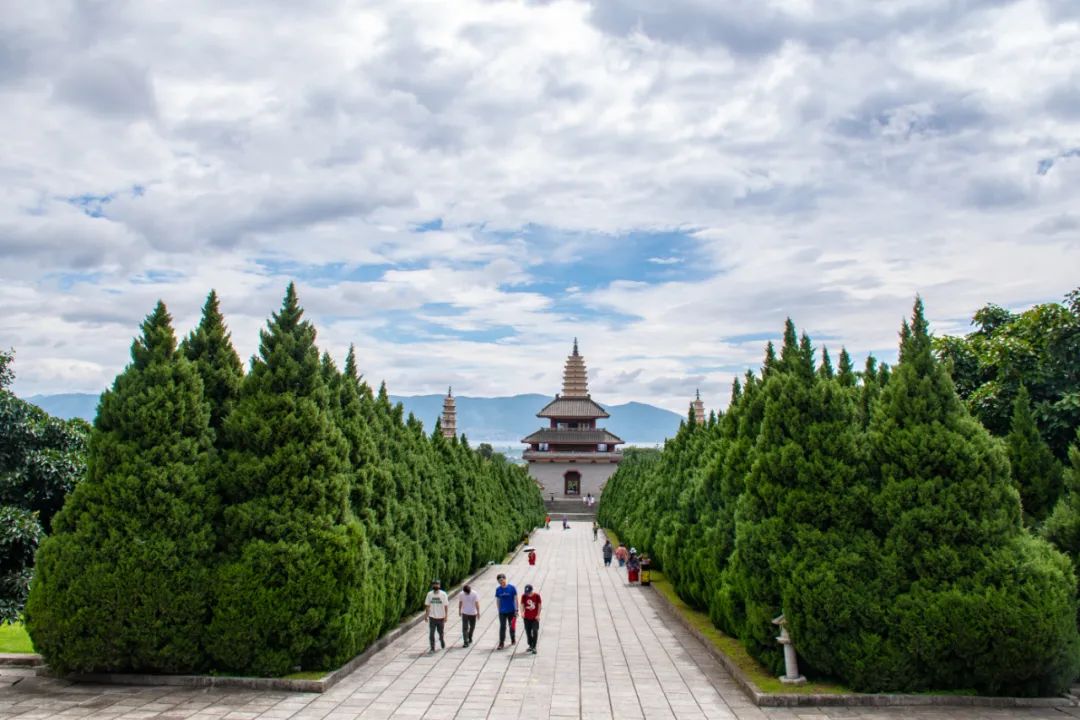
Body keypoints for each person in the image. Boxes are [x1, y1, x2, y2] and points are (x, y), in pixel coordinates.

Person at [494, 573, 518, 649]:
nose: (501, 582)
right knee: (502, 627)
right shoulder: (498, 589)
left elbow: (515, 599)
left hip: (511, 611)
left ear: (505, 579)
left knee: (512, 626)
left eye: (502, 580)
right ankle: (501, 643)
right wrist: (499, 610)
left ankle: (513, 638)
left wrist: (516, 610)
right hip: (502, 612)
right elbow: (498, 600)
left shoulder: (512, 588)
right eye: (499, 581)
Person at [425, 579, 449, 652]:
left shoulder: (443, 594)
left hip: (441, 617)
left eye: (437, 584)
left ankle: (442, 640)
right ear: (432, 585)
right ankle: (432, 648)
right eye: (434, 584)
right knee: (431, 633)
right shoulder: (429, 594)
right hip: (432, 617)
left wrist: (446, 616)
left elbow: (446, 606)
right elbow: (427, 605)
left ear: (439, 585)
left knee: (440, 633)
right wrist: (426, 615)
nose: (436, 585)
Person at [521, 584, 542, 654]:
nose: (528, 594)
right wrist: (522, 612)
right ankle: (530, 645)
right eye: (527, 592)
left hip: (535, 618)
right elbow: (522, 604)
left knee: (535, 631)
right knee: (528, 632)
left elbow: (539, 605)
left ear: (532, 590)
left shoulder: (537, 596)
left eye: (529, 592)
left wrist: (538, 615)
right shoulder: (524, 596)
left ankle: (534, 646)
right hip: (527, 618)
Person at [458, 583, 480, 647]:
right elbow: (460, 602)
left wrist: (478, 612)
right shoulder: (461, 594)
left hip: (473, 613)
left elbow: (477, 603)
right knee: (465, 628)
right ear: (464, 591)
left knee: (472, 627)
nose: (467, 594)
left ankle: (470, 636)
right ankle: (466, 642)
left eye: (468, 593)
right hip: (465, 613)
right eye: (466, 593)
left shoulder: (474, 593)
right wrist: (459, 610)